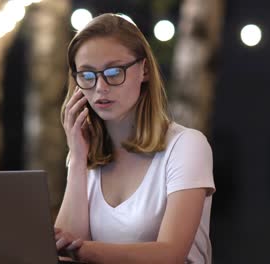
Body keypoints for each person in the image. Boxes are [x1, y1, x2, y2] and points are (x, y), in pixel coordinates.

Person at [55, 13, 216, 264]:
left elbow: (169, 255)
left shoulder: (186, 146)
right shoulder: (82, 154)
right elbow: (65, 256)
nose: (100, 87)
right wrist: (76, 158)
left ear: (144, 70)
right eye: (87, 75)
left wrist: (82, 250)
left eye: (113, 71)